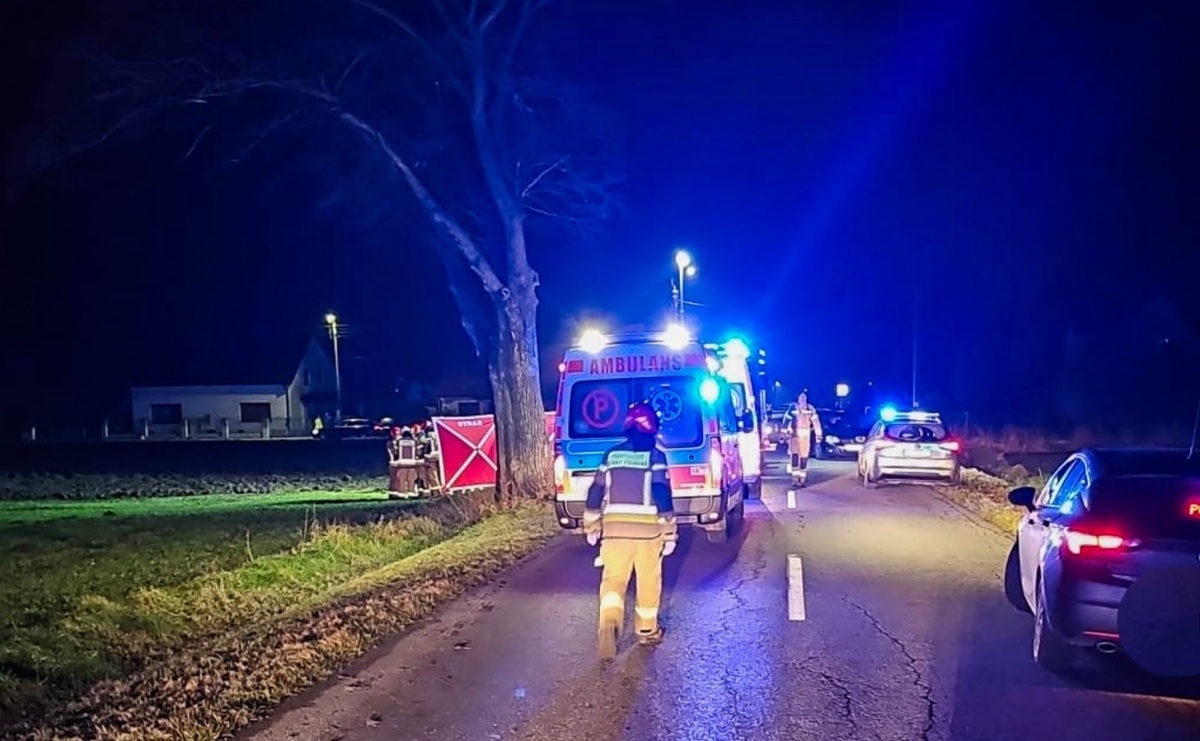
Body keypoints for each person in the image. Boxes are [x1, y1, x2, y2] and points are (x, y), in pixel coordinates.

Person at [583, 401, 678, 659]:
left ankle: (608, 625)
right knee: (648, 581)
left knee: (613, 580)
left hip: (614, 533)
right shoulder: (656, 457)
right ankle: (647, 631)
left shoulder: (611, 455)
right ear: (652, 428)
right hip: (647, 535)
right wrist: (669, 531)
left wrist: (591, 524)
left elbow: (595, 491)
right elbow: (661, 493)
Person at [789, 391, 823, 487]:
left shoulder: (810, 408)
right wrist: (784, 433)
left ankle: (802, 480)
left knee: (804, 458)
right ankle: (795, 480)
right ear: (798, 398)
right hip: (794, 437)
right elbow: (787, 419)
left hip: (805, 438)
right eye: (801, 397)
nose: (802, 399)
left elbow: (816, 422)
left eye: (804, 397)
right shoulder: (793, 407)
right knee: (795, 458)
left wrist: (818, 435)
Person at [387, 426, 420, 499]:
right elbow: (418, 452)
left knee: (402, 479)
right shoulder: (414, 441)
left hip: (402, 463)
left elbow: (395, 452)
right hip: (412, 463)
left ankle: (402, 493)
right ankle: (411, 493)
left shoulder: (399, 441)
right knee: (411, 479)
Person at [418, 421, 442, 495]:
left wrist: (420, 434)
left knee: (432, 475)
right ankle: (440, 490)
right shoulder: (439, 434)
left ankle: (437, 492)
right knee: (439, 475)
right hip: (440, 457)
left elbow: (423, 442)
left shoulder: (428, 435)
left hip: (431, 457)